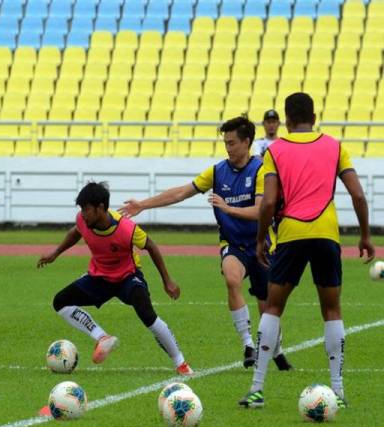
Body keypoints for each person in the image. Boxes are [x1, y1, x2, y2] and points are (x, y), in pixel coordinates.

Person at [120, 116, 292, 371]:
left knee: (268, 308)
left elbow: (259, 210)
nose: (228, 148)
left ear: (247, 142)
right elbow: (181, 192)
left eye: (232, 143)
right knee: (232, 279)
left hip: (263, 246)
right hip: (233, 245)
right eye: (225, 143)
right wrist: (143, 205)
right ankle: (248, 345)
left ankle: (276, 351)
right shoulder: (217, 171)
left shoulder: (261, 170)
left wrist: (228, 208)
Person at [239, 93, 375, 408]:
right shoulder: (335, 146)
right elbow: (357, 194)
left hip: (290, 234)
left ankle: (257, 390)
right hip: (326, 233)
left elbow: (269, 202)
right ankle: (338, 392)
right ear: (314, 117)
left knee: (273, 307)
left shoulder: (275, 150)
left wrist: (260, 240)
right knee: (331, 310)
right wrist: (365, 235)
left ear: (286, 120)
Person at [38, 182, 193, 375]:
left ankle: (181, 363)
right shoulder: (83, 220)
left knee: (147, 315)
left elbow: (151, 246)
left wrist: (167, 280)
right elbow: (76, 232)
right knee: (60, 302)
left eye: (86, 209)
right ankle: (102, 337)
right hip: (98, 277)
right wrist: (55, 253)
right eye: (81, 210)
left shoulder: (127, 229)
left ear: (101, 207)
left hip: (128, 277)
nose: (83, 214)